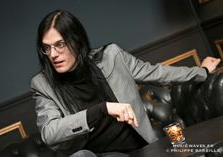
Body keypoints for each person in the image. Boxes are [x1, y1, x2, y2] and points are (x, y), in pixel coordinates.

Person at [31, 10, 221, 157]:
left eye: (60, 44)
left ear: (77, 41)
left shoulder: (111, 57)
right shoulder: (42, 84)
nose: (53, 54)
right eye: (46, 48)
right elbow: (49, 132)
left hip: (141, 149)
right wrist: (101, 109)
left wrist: (201, 71)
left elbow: (156, 72)